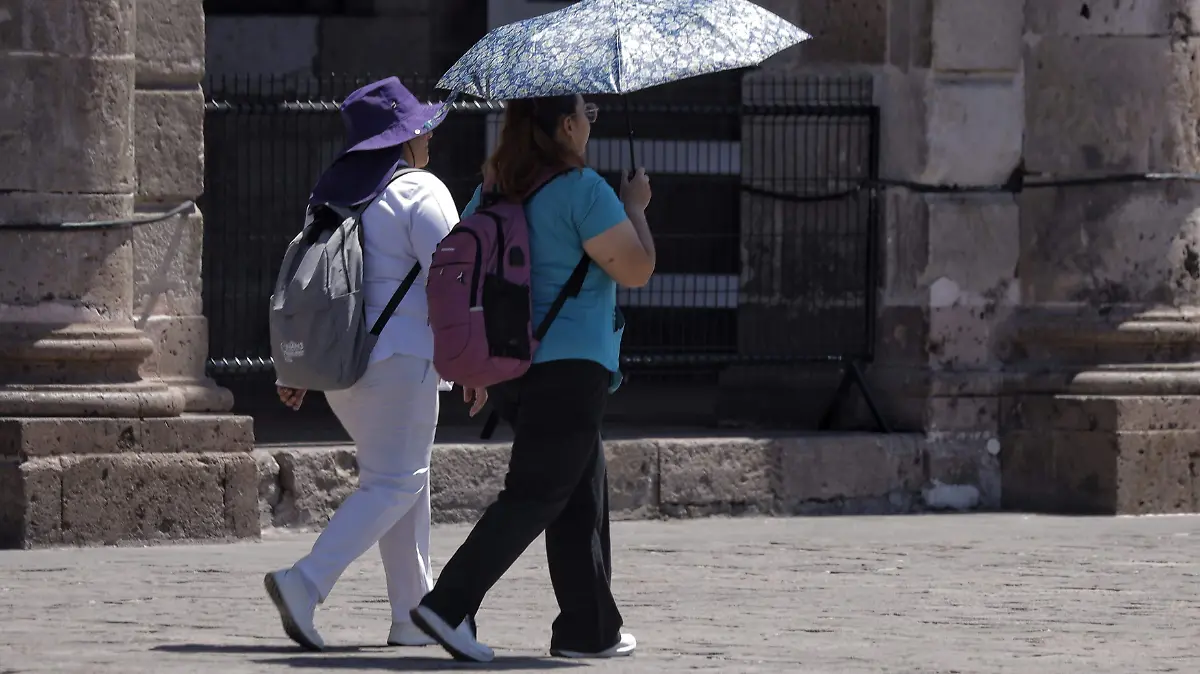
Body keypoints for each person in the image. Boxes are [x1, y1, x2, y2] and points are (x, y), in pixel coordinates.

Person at [408, 94, 656, 663]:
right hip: (570, 370)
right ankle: (447, 605)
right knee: (536, 495)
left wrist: (474, 363)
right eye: (586, 114)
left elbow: (465, 278)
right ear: (566, 126)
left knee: (578, 497)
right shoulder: (584, 192)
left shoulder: (492, 192)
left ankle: (587, 630)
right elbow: (637, 268)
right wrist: (636, 206)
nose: (591, 123)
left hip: (511, 370)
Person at [265, 76, 487, 653]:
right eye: (421, 128)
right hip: (402, 363)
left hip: (345, 372)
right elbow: (455, 279)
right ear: (403, 138)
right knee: (397, 481)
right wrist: (474, 364)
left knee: (405, 481)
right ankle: (305, 583)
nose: (430, 136)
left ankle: (412, 614)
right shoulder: (420, 190)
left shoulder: (334, 192)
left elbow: (311, 284)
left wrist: (295, 370)